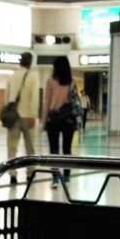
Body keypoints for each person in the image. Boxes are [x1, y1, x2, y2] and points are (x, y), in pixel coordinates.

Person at [42, 55, 82, 187]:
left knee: (53, 150)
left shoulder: (50, 82)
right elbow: (75, 102)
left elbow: (46, 102)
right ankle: (66, 177)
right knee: (67, 149)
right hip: (68, 119)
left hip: (53, 119)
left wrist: (44, 121)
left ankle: (55, 178)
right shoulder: (72, 83)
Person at [4, 51, 39, 185]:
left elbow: (7, 98)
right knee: (30, 147)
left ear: (20, 62)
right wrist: (33, 115)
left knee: (12, 147)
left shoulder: (11, 77)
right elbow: (34, 97)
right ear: (30, 63)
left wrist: (7, 115)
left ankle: (12, 174)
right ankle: (30, 173)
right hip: (27, 116)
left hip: (12, 117)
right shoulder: (33, 77)